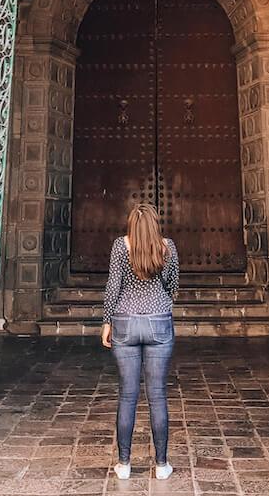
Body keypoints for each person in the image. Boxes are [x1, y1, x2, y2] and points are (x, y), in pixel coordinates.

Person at [101, 202, 180, 481]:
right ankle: (161, 464)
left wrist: (106, 322)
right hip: (159, 321)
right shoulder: (166, 246)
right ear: (155, 224)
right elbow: (173, 285)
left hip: (125, 322)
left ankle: (124, 464)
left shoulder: (120, 247)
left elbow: (114, 285)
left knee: (127, 395)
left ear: (131, 224)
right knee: (157, 395)